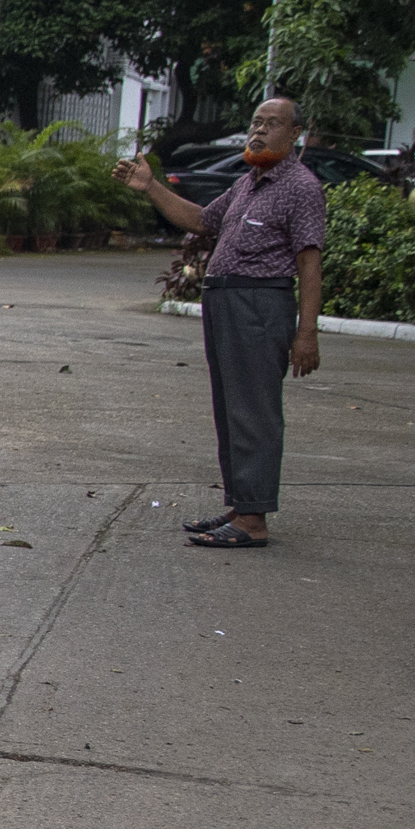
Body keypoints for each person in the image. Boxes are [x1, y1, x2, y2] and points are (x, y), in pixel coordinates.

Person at [122, 95, 324, 549]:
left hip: (260, 305)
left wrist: (306, 332)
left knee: (254, 412)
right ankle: (241, 504)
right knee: (232, 410)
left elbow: (309, 263)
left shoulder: (301, 187)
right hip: (226, 302)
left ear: (295, 135)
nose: (259, 131)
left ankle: (254, 520)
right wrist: (150, 186)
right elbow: (199, 220)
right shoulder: (249, 183)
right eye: (256, 121)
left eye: (272, 124)